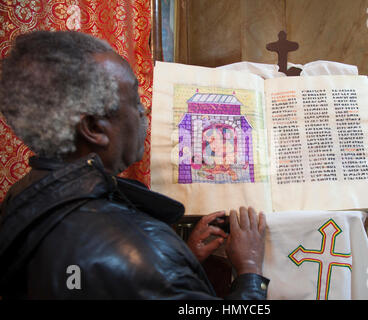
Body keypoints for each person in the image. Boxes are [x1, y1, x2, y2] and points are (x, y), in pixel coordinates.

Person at [0, 31, 268, 299]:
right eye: (135, 100)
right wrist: (250, 271)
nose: (144, 111)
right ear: (94, 128)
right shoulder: (146, 252)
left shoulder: (21, 195)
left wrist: (181, 260)